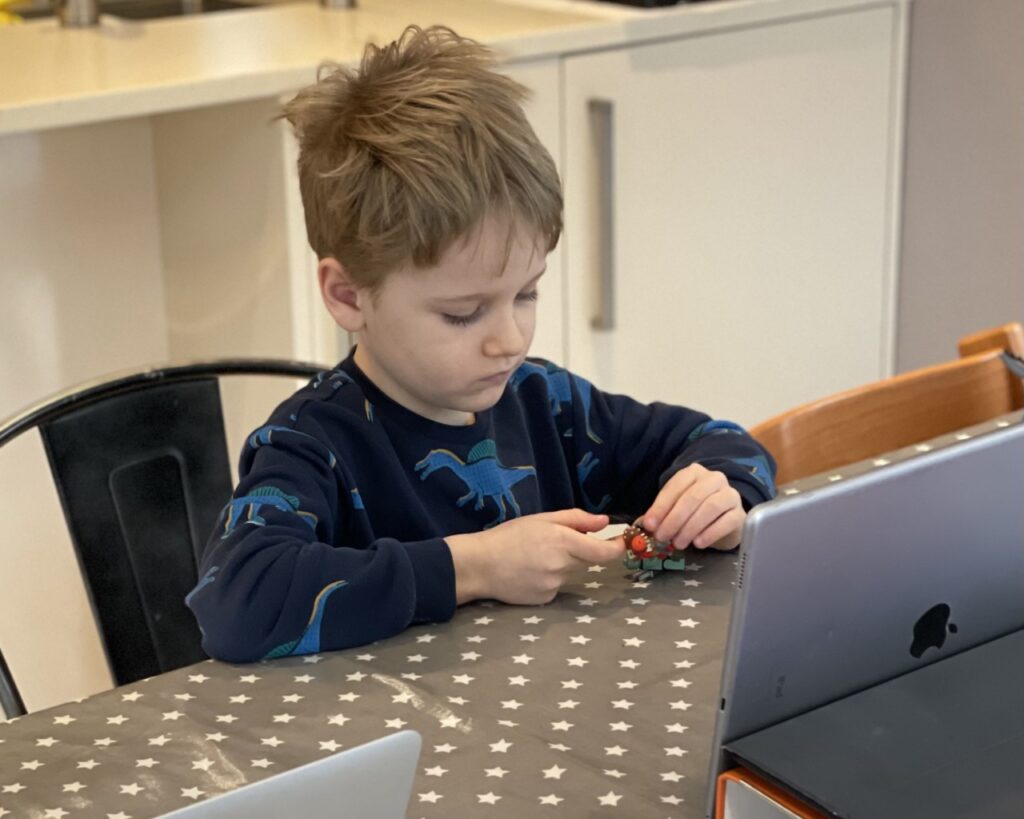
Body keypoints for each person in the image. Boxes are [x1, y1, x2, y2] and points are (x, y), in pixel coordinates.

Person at [186, 25, 776, 663]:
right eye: (464, 314)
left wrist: (718, 491)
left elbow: (722, 441)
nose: (511, 340)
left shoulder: (545, 403)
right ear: (349, 296)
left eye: (526, 295)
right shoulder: (311, 445)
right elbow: (237, 605)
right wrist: (478, 566)